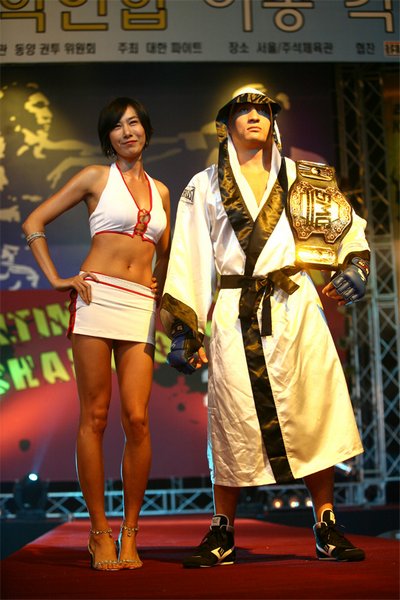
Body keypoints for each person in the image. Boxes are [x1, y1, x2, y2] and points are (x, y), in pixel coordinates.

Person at [160, 86, 370, 567]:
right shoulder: (203, 185)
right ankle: (222, 529)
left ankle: (326, 524)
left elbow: (346, 227)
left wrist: (355, 264)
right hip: (235, 311)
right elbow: (188, 256)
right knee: (230, 417)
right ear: (226, 124)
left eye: (263, 109)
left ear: (274, 121)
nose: (254, 115)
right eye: (244, 109)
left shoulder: (303, 177)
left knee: (313, 409)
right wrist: (185, 328)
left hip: (295, 306)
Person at [22, 97, 171, 570]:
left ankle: (131, 532)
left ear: (146, 130)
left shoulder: (162, 191)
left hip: (140, 305)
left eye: (134, 123)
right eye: (117, 126)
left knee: (138, 419)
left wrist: (161, 290)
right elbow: (34, 221)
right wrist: (56, 278)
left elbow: (166, 255)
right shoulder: (94, 178)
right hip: (96, 296)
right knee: (97, 416)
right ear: (108, 137)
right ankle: (99, 531)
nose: (128, 132)